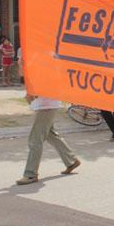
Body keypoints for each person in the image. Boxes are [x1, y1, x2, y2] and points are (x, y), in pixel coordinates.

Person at [16, 51, 81, 185]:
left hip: (47, 104)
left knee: (35, 139)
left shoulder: (48, 56)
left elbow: (49, 80)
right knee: (51, 135)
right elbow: (24, 77)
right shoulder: (36, 55)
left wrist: (33, 93)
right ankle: (71, 160)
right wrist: (21, 64)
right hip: (44, 104)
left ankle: (30, 174)